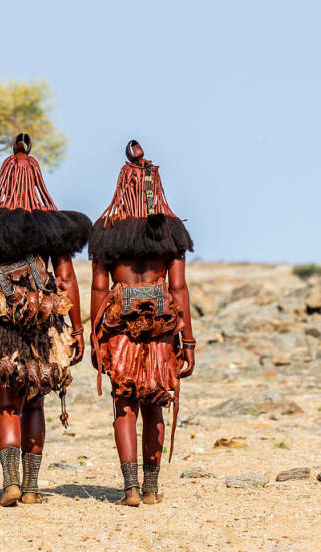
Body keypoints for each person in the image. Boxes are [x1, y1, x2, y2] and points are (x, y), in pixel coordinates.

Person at [0, 134, 91, 506]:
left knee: (7, 405)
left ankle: (10, 482)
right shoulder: (53, 227)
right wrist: (77, 330)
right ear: (36, 180)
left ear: (2, 179)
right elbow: (65, 279)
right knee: (35, 403)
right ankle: (31, 488)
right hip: (44, 329)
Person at [89, 139, 195, 506]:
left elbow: (99, 288)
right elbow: (178, 289)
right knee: (155, 403)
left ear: (122, 185)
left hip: (119, 326)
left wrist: (94, 338)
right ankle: (151, 489)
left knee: (125, 405)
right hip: (163, 326)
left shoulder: (105, 229)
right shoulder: (171, 231)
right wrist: (190, 343)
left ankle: (130, 489)